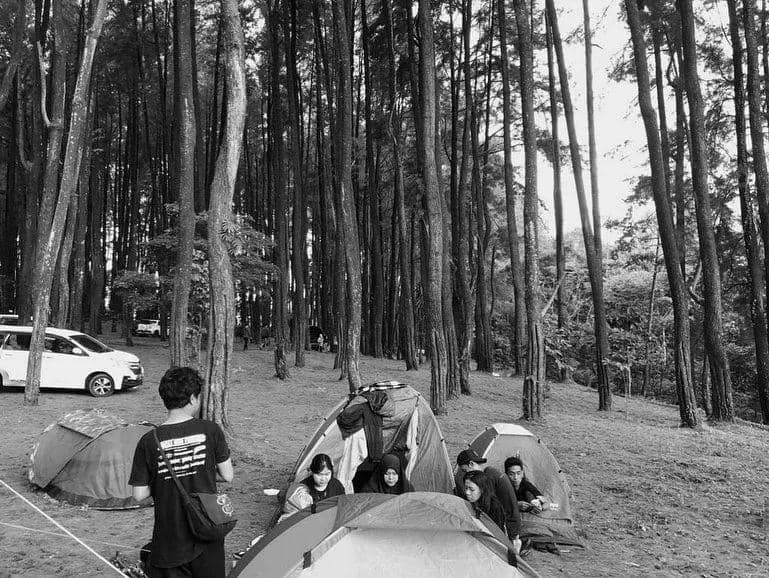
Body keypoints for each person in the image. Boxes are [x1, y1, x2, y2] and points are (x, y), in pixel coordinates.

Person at [130, 367, 234, 578]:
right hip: (207, 533)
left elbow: (139, 494)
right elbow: (227, 475)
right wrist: (198, 471)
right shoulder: (210, 430)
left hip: (169, 541)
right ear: (193, 399)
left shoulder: (149, 441)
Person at [456, 449, 521, 552]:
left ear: (471, 464)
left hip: (509, 525)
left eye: (464, 470)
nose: (465, 474)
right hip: (512, 518)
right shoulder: (490, 471)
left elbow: (490, 509)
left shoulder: (487, 478)